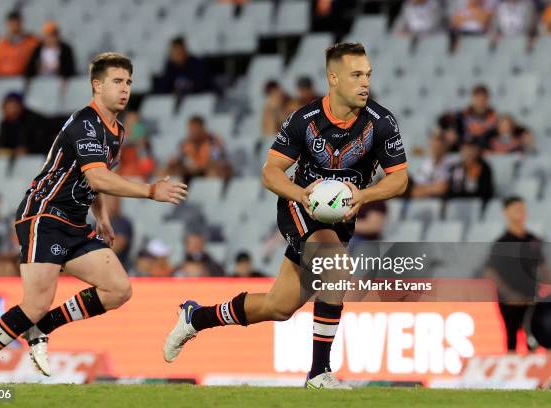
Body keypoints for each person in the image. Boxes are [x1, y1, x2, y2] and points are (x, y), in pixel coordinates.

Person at [163, 43, 408, 389]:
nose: (365, 82)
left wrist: (365, 194)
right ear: (333, 78)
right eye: (356, 75)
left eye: (367, 74)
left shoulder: (381, 122)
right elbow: (271, 172)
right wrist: (301, 195)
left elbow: (400, 178)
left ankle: (195, 318)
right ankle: (318, 373)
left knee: (279, 307)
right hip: (300, 207)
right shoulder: (304, 120)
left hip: (341, 217)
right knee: (336, 266)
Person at [0, 52, 188, 384]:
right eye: (117, 81)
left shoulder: (117, 131)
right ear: (97, 85)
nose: (125, 89)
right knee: (34, 303)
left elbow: (99, 178)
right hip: (44, 215)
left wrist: (102, 216)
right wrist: (150, 191)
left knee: (118, 289)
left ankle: (43, 327)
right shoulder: (85, 122)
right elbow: (96, 178)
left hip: (75, 224)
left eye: (129, 82)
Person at [485, 196, 547, 351]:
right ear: (506, 213)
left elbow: (543, 267)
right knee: (511, 338)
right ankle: (511, 373)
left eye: (523, 209)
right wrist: (510, 295)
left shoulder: (532, 240)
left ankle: (531, 374)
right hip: (510, 301)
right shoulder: (502, 243)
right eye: (517, 209)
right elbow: (491, 273)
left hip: (531, 300)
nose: (521, 213)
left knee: (532, 339)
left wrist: (545, 289)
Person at [165, 116, 232, 182]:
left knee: (214, 172)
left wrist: (199, 166)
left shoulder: (213, 141)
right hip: (191, 172)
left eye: (195, 129)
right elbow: (179, 158)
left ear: (202, 128)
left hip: (208, 171)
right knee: (169, 170)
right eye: (191, 129)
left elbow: (217, 161)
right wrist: (175, 162)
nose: (193, 132)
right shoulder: (185, 143)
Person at [0, 92, 50, 157]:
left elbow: (44, 143)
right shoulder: (5, 124)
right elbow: (3, 146)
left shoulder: (35, 120)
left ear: (20, 106)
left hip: (38, 157)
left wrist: (27, 150)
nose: (11, 110)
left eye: (13, 106)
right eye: (7, 107)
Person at [0, 10, 38, 78]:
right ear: (7, 24)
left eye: (17, 23)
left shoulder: (31, 41)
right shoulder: (1, 45)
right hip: (3, 80)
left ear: (21, 23)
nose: (15, 26)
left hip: (23, 79)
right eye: (12, 23)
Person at [409, 130, 453, 198]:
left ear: (445, 145)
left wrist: (424, 188)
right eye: (434, 141)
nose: (437, 145)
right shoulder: (425, 163)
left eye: (440, 141)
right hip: (424, 205)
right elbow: (415, 192)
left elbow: (442, 189)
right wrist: (434, 187)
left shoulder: (451, 161)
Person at [104, 195, 133, 268]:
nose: (114, 203)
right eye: (111, 199)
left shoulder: (122, 222)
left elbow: (119, 244)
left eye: (116, 200)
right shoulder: (99, 221)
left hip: (118, 267)